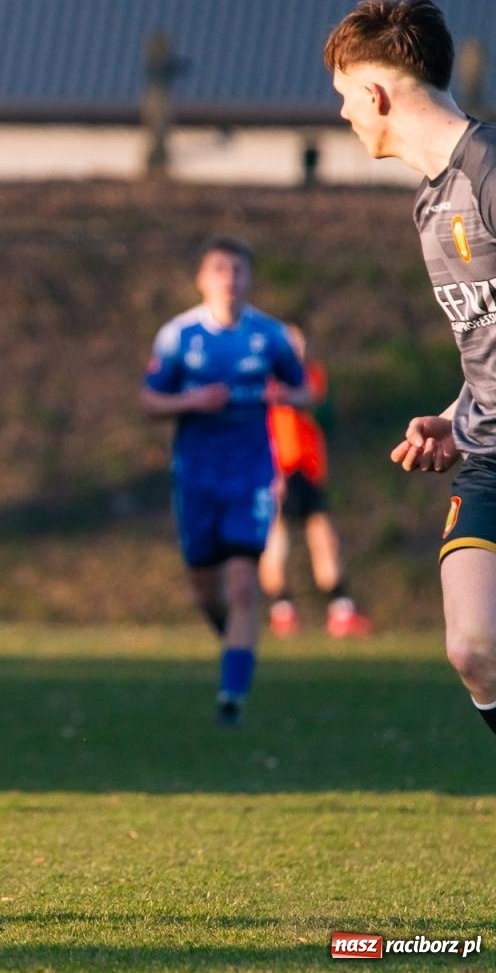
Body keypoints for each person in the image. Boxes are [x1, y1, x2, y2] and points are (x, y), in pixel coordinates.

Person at [325, 0, 496, 741]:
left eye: (343, 97)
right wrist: (459, 417)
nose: (343, 115)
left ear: (377, 94)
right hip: (488, 456)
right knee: (473, 646)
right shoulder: (432, 205)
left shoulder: (490, 170)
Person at [141, 237, 310, 726]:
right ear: (202, 279)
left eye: (237, 270)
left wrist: (285, 395)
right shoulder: (178, 336)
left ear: (248, 278)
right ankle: (235, 646)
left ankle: (231, 698)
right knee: (204, 587)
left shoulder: (270, 335)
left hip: (251, 475)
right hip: (195, 477)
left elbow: (304, 390)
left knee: (242, 583)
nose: (229, 279)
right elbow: (150, 402)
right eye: (219, 270)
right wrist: (192, 402)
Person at [259, 323, 374, 638]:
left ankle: (340, 610)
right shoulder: (262, 378)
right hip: (279, 471)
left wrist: (288, 395)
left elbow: (312, 402)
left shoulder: (311, 375)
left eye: (300, 342)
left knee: (324, 539)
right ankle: (282, 611)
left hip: (310, 469)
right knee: (276, 540)